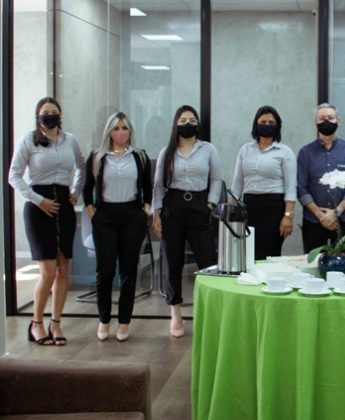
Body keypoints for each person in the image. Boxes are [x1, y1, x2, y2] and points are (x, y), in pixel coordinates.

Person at [9, 97, 86, 346]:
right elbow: (13, 176)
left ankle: (56, 323)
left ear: (60, 115)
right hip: (38, 207)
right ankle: (36, 323)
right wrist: (37, 200)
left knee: (64, 268)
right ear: (38, 116)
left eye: (54, 111)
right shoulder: (28, 140)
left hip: (63, 205)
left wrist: (76, 191)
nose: (49, 115)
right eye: (45, 112)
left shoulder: (70, 140)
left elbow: (82, 167)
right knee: (48, 271)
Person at [152, 105, 223, 338]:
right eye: (183, 120)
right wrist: (156, 213)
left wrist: (210, 205)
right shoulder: (167, 152)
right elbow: (158, 185)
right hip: (173, 207)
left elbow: (216, 179)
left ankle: (209, 310)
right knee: (172, 260)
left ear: (198, 124)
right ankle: (175, 310)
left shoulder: (208, 149)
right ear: (176, 124)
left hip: (199, 206)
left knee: (207, 260)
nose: (188, 123)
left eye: (192, 120)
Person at [83, 112, 152, 342]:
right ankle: (104, 319)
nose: (121, 132)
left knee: (128, 271)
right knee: (105, 270)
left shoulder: (139, 156)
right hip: (105, 217)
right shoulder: (97, 156)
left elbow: (147, 187)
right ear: (109, 131)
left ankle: (124, 321)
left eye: (124, 128)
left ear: (130, 131)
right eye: (116, 128)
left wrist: (145, 210)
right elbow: (87, 189)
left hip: (132, 216)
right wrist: (93, 214)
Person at [231, 105, 296, 260]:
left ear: (277, 126)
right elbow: (237, 183)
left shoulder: (285, 152)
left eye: (271, 123)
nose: (267, 125)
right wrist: (230, 212)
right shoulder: (245, 150)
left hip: (273, 209)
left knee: (269, 256)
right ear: (256, 124)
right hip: (248, 208)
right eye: (263, 122)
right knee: (248, 255)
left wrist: (288, 216)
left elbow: (291, 187)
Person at [297, 103, 345, 252]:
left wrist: (336, 212)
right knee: (313, 264)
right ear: (315, 123)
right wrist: (321, 216)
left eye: (330, 118)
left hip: (343, 220)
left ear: (338, 121)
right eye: (322, 119)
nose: (326, 121)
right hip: (313, 221)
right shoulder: (305, 153)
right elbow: (301, 187)